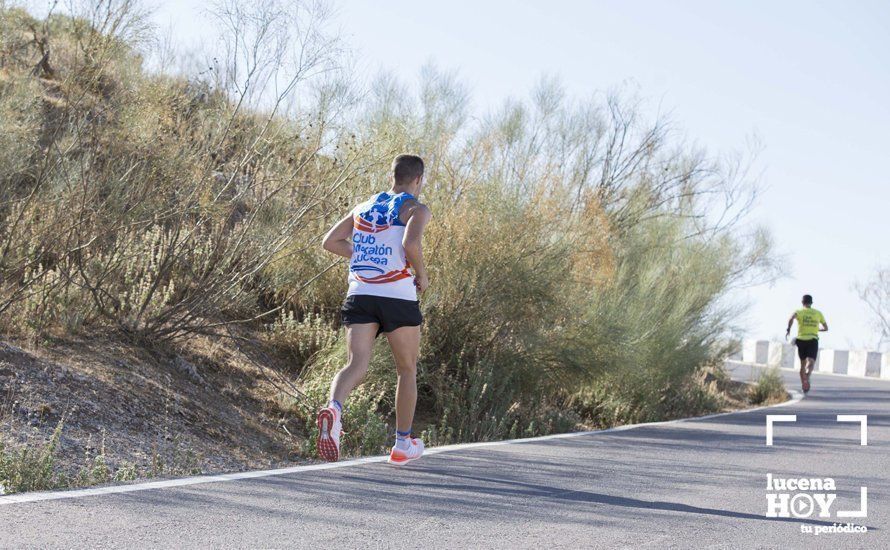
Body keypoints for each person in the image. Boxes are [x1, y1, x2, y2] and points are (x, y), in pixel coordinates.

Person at [315, 154, 431, 465]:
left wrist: (364, 255)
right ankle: (402, 444)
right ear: (418, 180)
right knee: (406, 370)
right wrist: (421, 273)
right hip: (398, 297)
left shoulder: (363, 207)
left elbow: (330, 241)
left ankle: (335, 409)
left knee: (356, 364)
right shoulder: (415, 209)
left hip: (361, 294)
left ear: (393, 176)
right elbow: (411, 245)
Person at [786, 294, 828, 393]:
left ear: (802, 303)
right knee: (811, 361)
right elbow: (826, 328)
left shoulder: (799, 312)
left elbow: (791, 318)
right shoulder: (818, 313)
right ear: (811, 303)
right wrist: (818, 329)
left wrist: (788, 329)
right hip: (813, 339)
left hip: (801, 340)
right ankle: (807, 377)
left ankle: (804, 383)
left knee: (802, 364)